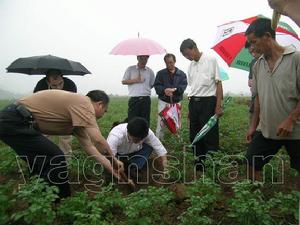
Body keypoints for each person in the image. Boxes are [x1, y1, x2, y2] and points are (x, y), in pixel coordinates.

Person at [0, 90, 128, 198]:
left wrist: (111, 169)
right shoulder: (85, 103)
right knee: (56, 158)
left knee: (40, 161)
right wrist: (114, 160)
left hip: (13, 122)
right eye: (105, 111)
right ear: (100, 105)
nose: (103, 115)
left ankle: (38, 195)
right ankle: (61, 200)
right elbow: (98, 140)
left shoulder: (77, 119)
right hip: (15, 120)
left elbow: (90, 148)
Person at [245, 18, 300, 180]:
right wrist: (253, 126)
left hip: (295, 130)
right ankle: (254, 201)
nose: (252, 47)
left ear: (267, 36)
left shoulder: (296, 59)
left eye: (254, 42)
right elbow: (258, 99)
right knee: (251, 162)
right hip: (267, 129)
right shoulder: (257, 66)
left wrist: (291, 119)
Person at [180, 39, 223, 171]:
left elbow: (219, 84)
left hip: (208, 102)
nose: (188, 58)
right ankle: (199, 164)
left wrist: (218, 105)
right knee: (195, 135)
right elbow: (193, 87)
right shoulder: (191, 66)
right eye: (185, 56)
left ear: (194, 48)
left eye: (188, 54)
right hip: (194, 103)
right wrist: (189, 108)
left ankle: (212, 164)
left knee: (209, 134)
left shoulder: (211, 60)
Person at [107, 117, 168, 181]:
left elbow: (159, 147)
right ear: (128, 133)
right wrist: (125, 178)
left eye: (142, 139)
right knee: (112, 169)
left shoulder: (146, 132)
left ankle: (133, 168)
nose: (140, 141)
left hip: (134, 153)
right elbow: (109, 157)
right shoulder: (115, 136)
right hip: (119, 155)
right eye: (137, 139)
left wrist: (166, 168)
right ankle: (123, 172)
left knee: (149, 147)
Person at [34, 69, 77, 156]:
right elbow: (37, 104)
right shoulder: (41, 86)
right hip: (46, 113)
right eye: (54, 85)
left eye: (60, 83)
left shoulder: (70, 85)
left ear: (62, 78)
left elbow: (73, 103)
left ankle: (65, 161)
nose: (58, 87)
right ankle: (47, 158)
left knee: (65, 138)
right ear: (47, 82)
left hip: (65, 113)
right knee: (45, 137)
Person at [154, 53, 187, 139]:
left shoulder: (182, 74)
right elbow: (157, 86)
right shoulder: (160, 74)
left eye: (171, 62)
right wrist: (164, 91)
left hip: (176, 102)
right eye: (167, 63)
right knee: (161, 122)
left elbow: (183, 87)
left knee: (177, 121)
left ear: (175, 61)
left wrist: (174, 90)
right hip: (163, 101)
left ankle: (178, 140)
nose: (169, 64)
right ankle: (159, 140)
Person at [122, 55, 155, 124]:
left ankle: (144, 134)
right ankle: (132, 134)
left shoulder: (150, 71)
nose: (143, 61)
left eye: (145, 59)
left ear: (147, 59)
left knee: (145, 121)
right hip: (134, 99)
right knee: (132, 120)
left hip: (146, 99)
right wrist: (136, 80)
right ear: (137, 58)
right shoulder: (130, 69)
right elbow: (124, 81)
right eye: (141, 59)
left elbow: (152, 84)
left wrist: (145, 90)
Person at [245, 42, 261, 123]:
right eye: (250, 52)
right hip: (255, 99)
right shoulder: (253, 63)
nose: (253, 54)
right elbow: (250, 82)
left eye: (253, 51)